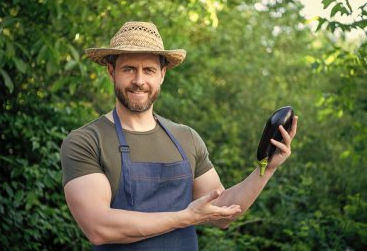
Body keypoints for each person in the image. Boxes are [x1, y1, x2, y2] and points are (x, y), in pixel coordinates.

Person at [61, 21, 298, 250]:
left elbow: (223, 213)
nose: (139, 81)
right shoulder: (86, 141)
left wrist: (266, 168)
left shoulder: (186, 138)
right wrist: (186, 217)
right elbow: (99, 227)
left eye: (149, 70)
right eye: (129, 69)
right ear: (111, 72)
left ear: (162, 75)